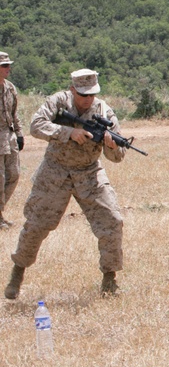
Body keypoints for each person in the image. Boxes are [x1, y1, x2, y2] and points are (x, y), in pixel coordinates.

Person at [4, 69, 126, 299]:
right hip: (55, 172)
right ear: (72, 90)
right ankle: (17, 273)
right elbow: (36, 125)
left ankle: (110, 279)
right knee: (36, 225)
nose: (88, 99)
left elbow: (118, 157)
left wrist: (110, 145)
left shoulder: (104, 111)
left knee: (112, 221)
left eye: (92, 94)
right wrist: (67, 132)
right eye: (83, 94)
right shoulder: (58, 101)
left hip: (89, 172)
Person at [0, 52, 23, 229]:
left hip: (9, 136)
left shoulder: (10, 88)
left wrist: (20, 133)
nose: (9, 69)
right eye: (5, 66)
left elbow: (14, 114)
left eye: (8, 65)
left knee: (14, 175)